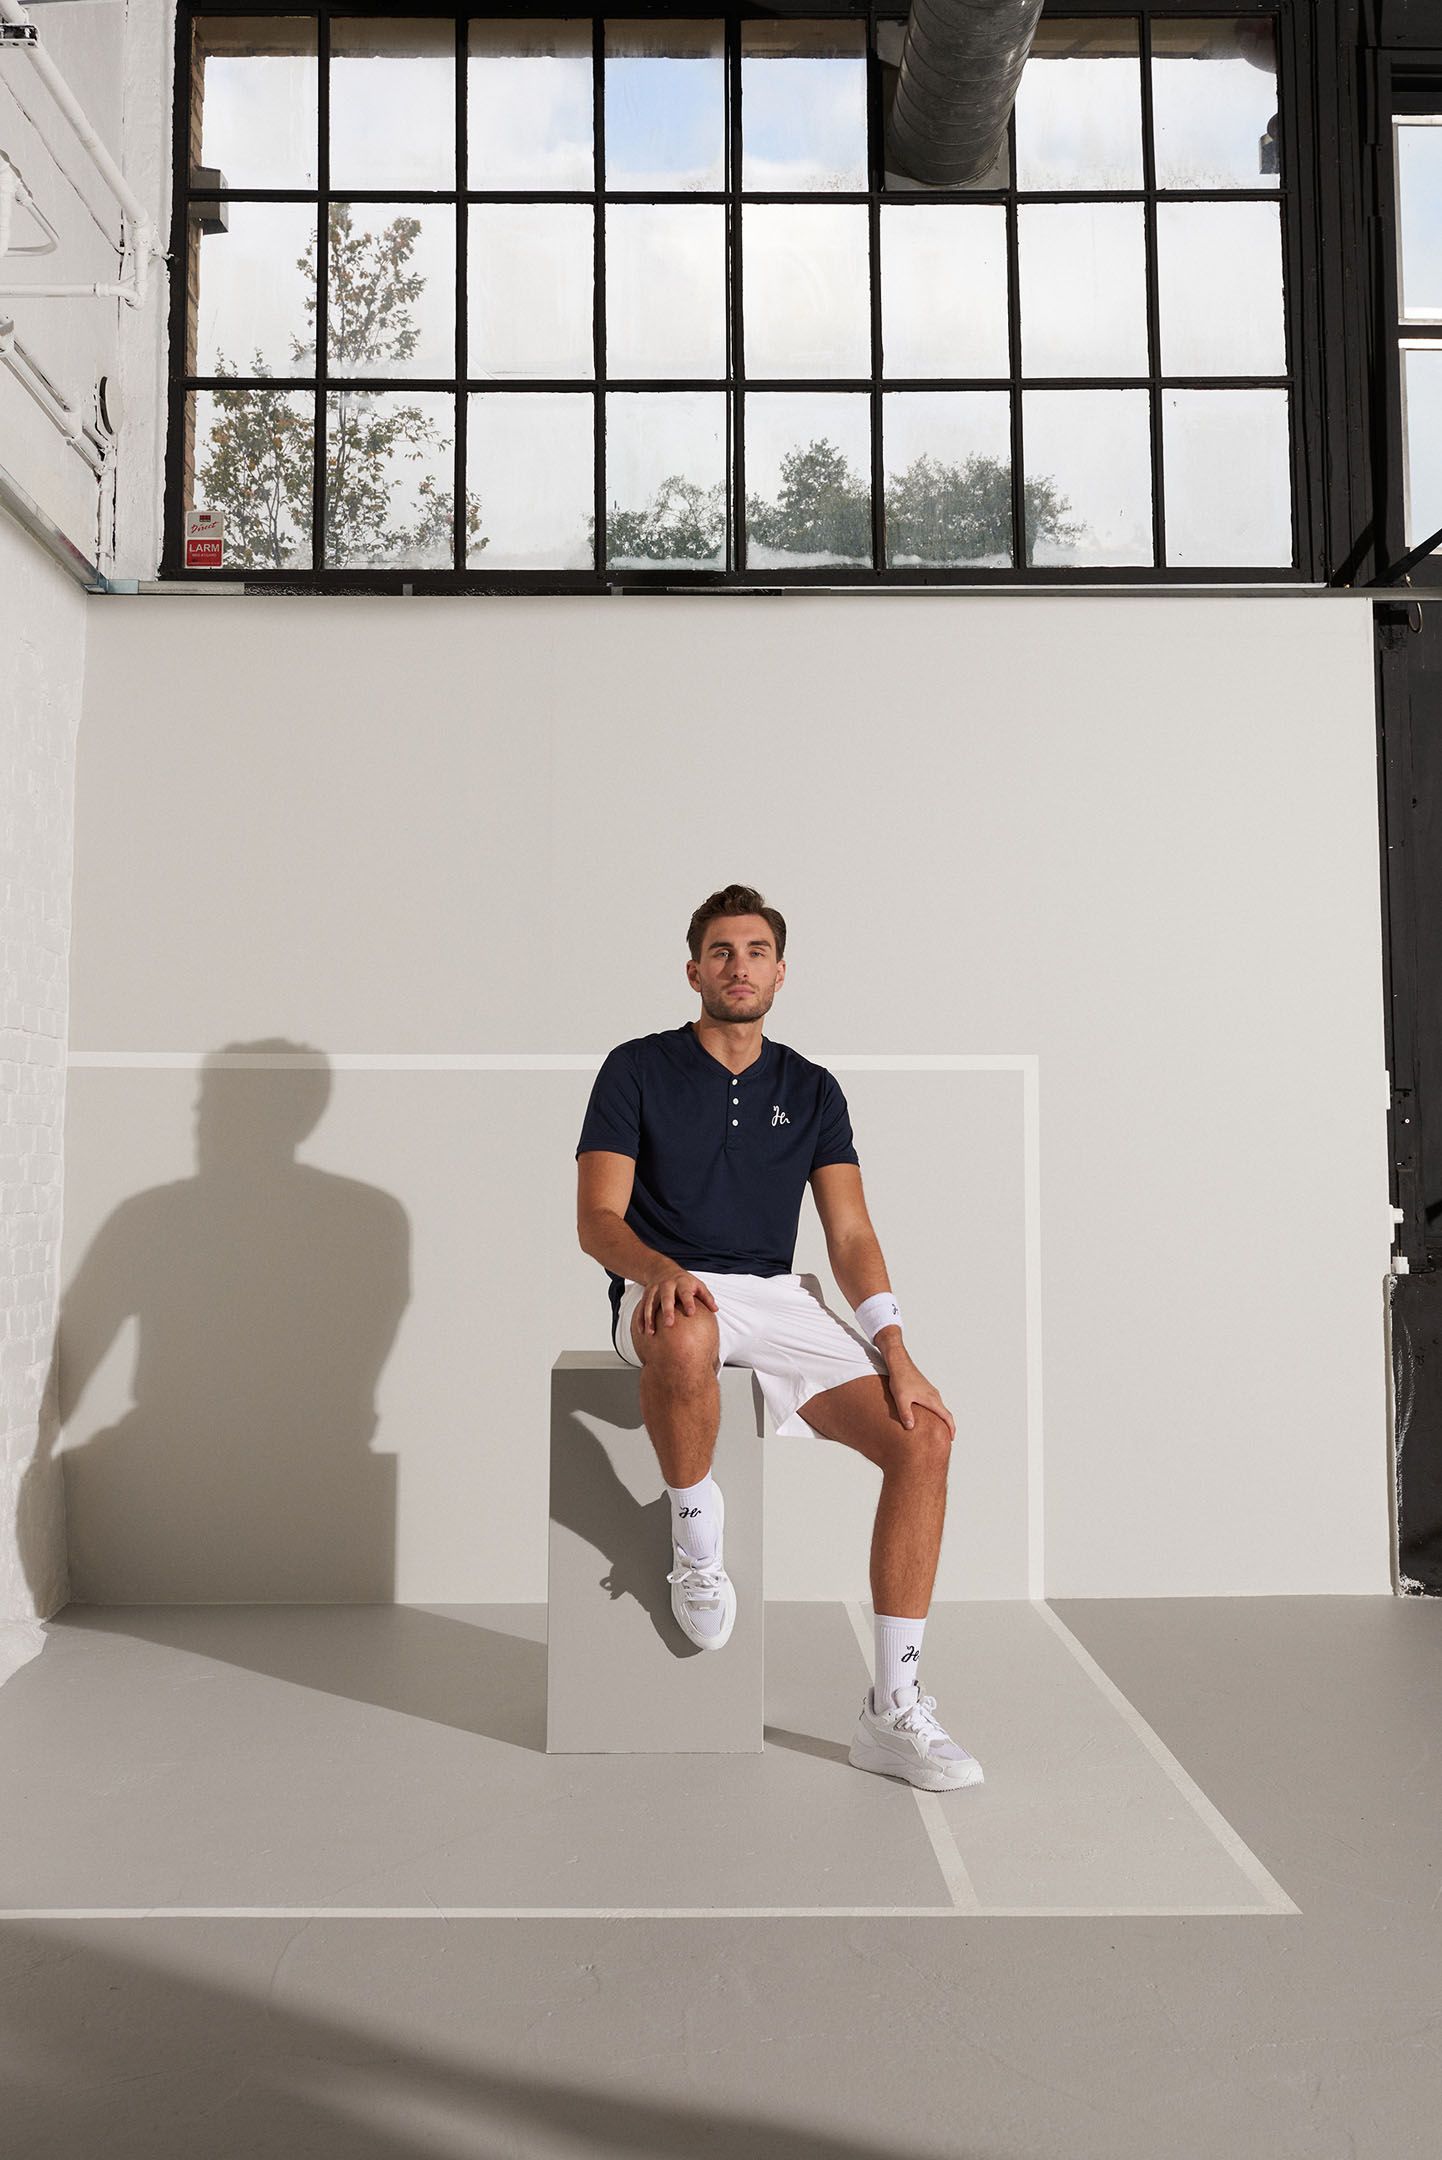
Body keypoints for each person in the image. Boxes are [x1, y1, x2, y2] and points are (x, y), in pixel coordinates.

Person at [574, 882, 982, 1794]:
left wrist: (897, 1351)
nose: (740, 966)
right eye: (722, 951)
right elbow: (597, 1218)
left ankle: (893, 1711)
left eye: (756, 952)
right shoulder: (636, 1069)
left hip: (775, 1295)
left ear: (780, 973)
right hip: (664, 1285)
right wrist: (656, 1270)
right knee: (689, 1337)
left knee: (925, 1436)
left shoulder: (812, 1088)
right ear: (694, 971)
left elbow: (850, 1235)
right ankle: (696, 1543)